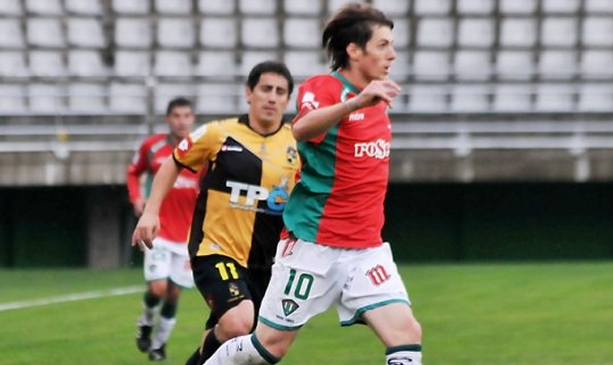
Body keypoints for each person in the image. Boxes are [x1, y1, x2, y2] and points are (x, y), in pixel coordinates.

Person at [203, 3, 423, 365]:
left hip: (366, 249)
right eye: (383, 44)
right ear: (354, 49)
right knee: (267, 348)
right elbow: (302, 128)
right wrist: (355, 103)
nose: (392, 54)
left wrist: (366, 100)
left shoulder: (376, 99)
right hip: (314, 247)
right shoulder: (326, 88)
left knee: (406, 334)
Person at [131, 61, 299, 365]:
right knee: (238, 322)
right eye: (265, 89)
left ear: (288, 100)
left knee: (245, 342)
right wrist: (150, 212)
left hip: (267, 263)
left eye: (280, 91)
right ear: (249, 93)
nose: (272, 97)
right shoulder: (219, 133)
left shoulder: (296, 145)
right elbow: (174, 161)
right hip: (216, 250)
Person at [126, 97, 200, 361]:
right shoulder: (152, 147)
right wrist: (137, 198)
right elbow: (133, 171)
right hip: (159, 230)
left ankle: (158, 345)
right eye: (177, 115)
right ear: (168, 119)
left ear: (193, 119)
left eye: (187, 115)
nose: (182, 121)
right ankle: (145, 322)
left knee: (174, 292)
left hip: (188, 236)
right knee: (157, 287)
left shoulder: (202, 150)